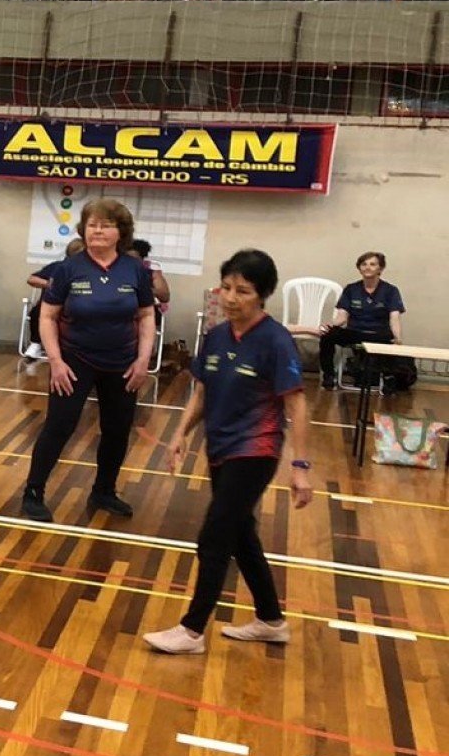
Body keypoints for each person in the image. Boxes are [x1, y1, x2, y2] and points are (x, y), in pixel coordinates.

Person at [143, 250, 312, 655]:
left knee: (215, 535)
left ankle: (192, 631)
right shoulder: (217, 336)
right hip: (219, 446)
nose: (232, 297)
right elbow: (202, 390)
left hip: (256, 449)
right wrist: (181, 432)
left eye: (244, 291)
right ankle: (271, 621)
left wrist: (301, 467)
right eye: (228, 287)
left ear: (263, 295)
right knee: (241, 536)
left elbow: (297, 405)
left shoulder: (275, 341)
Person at [21, 198, 156, 523]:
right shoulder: (69, 269)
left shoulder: (134, 269)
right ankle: (33, 492)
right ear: (84, 229)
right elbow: (48, 316)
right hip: (75, 361)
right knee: (59, 425)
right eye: (92, 224)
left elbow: (147, 315)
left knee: (117, 430)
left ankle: (104, 491)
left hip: (122, 363)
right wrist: (55, 360)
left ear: (120, 232)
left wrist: (142, 361)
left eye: (106, 225)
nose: (98, 230)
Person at [316, 251, 406, 390]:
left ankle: (388, 378)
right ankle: (329, 376)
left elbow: (394, 318)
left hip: (378, 334)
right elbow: (342, 317)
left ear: (380, 269)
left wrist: (398, 338)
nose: (367, 267)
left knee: (391, 341)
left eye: (372, 264)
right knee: (327, 335)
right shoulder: (351, 289)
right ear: (359, 268)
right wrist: (330, 326)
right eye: (364, 264)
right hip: (355, 332)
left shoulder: (390, 290)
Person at [24, 236, 84, 362]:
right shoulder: (57, 267)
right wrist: (50, 284)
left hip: (76, 305)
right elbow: (32, 279)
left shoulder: (88, 270)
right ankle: (35, 344)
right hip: (52, 305)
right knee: (37, 312)